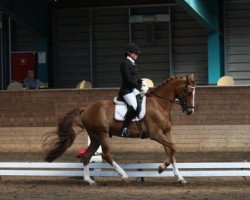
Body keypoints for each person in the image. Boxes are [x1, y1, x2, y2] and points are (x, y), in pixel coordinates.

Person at [118, 43, 148, 137]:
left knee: (142, 102)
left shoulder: (132, 62)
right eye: (135, 53)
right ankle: (125, 128)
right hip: (127, 90)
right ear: (129, 53)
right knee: (134, 106)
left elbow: (134, 77)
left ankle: (140, 128)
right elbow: (128, 79)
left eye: (137, 54)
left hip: (133, 89)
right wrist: (140, 87)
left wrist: (140, 81)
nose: (137, 55)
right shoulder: (125, 63)